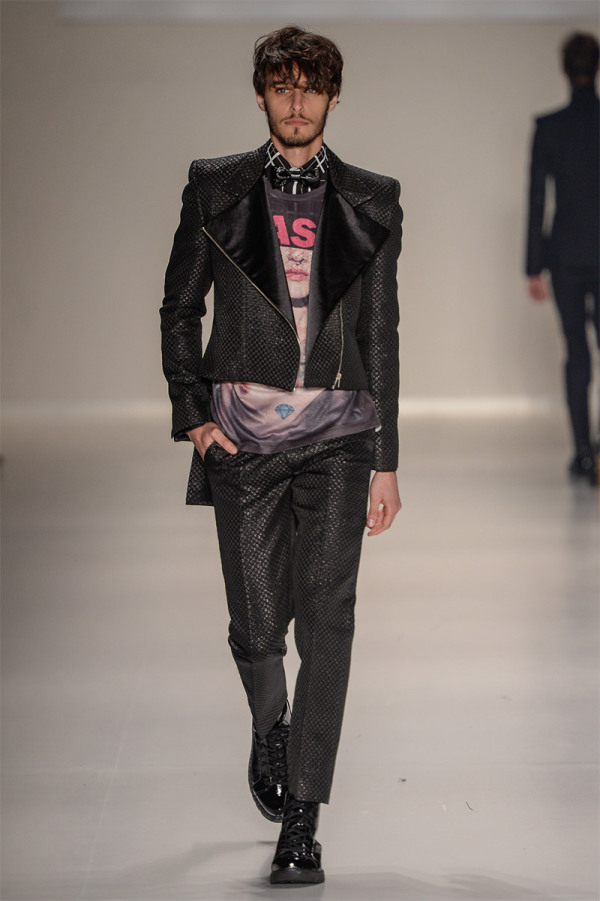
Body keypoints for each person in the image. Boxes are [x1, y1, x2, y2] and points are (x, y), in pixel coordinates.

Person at [160, 25, 402, 885]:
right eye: (282, 85)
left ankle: (303, 817)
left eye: (311, 86)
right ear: (261, 93)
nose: (296, 102)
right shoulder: (215, 186)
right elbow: (179, 305)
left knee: (328, 619)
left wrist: (386, 458)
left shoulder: (372, 199)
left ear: (334, 96)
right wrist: (194, 415)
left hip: (339, 435)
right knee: (260, 627)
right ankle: (271, 722)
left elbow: (381, 331)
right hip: (245, 436)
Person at [525, 32, 599, 483]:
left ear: (564, 69)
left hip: (566, 254)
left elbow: (538, 199)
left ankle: (584, 454)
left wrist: (533, 266)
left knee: (577, 353)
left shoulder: (549, 127)